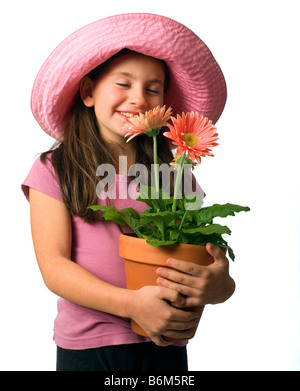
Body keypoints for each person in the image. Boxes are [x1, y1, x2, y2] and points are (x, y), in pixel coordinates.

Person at [22, 13, 235, 371]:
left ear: (164, 105)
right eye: (123, 84)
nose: (138, 99)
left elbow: (202, 256)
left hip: (164, 340)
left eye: (153, 89)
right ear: (88, 93)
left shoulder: (173, 175)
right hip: (89, 347)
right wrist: (132, 305)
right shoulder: (54, 170)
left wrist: (220, 286)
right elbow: (54, 268)